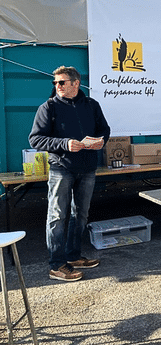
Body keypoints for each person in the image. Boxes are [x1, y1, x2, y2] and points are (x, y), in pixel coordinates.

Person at [29, 66, 111, 281]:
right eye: (55, 83)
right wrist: (64, 144)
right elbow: (35, 139)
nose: (58, 86)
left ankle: (73, 256)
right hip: (61, 169)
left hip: (87, 168)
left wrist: (100, 141)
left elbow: (104, 129)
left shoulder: (92, 105)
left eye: (62, 82)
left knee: (80, 215)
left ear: (76, 83)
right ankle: (56, 265)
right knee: (57, 217)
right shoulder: (48, 107)